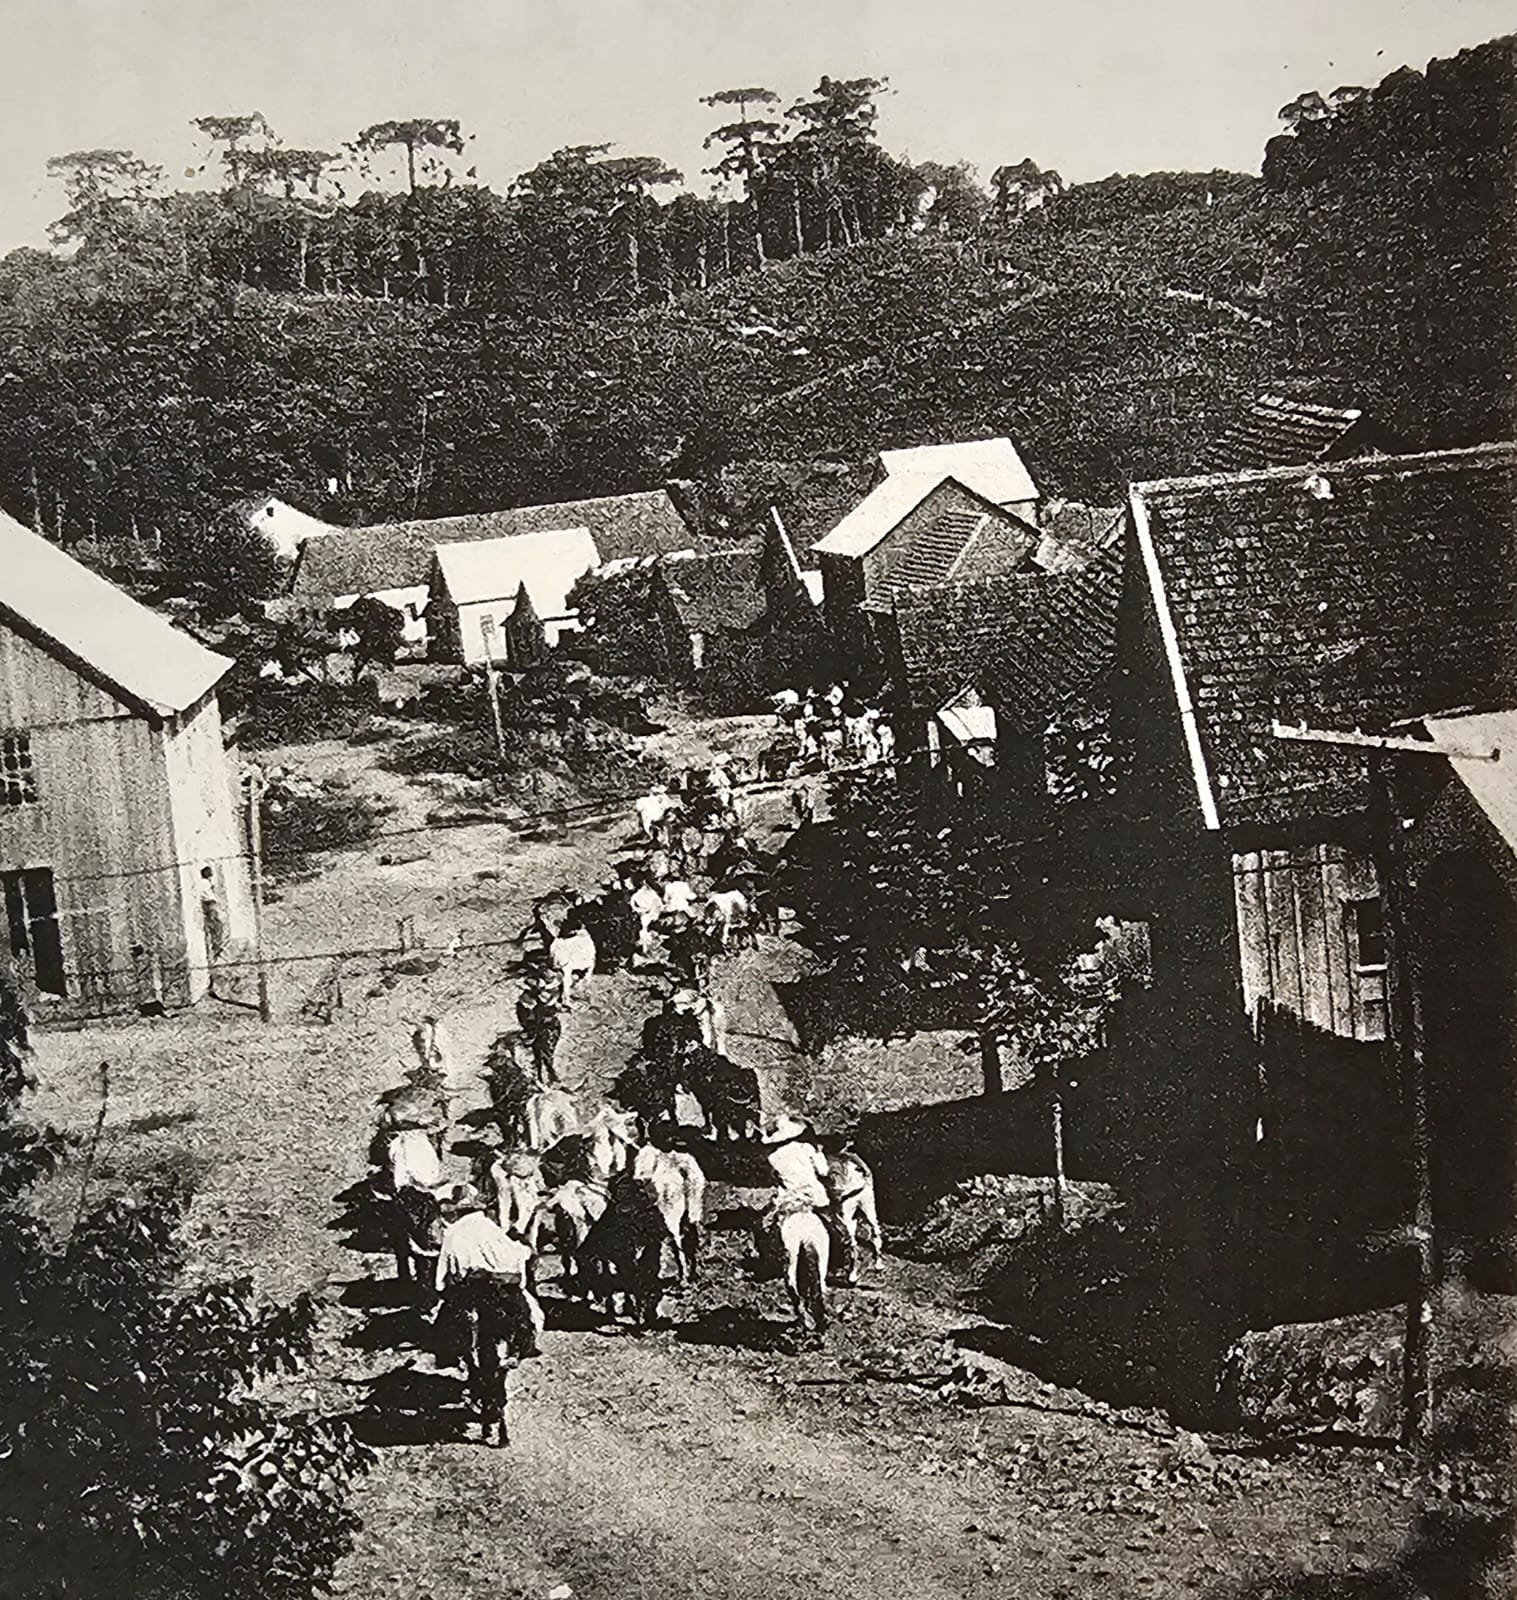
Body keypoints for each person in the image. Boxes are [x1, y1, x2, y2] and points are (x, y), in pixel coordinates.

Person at [432, 1185, 543, 1370]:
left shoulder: (453, 1232)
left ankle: (450, 1356)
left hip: (469, 1288)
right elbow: (515, 1254)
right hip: (498, 1286)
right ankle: (519, 1347)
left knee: (447, 1322)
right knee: (523, 1313)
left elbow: (442, 1274)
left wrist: (445, 1287)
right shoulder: (490, 1228)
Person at [757, 1114, 830, 1276]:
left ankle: (771, 1261)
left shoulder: (772, 1157)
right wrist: (819, 1154)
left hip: (788, 1199)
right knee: (835, 1225)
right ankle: (841, 1257)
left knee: (767, 1226)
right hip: (813, 1197)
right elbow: (824, 1172)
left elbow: (774, 1180)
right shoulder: (807, 1148)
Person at [515, 965, 563, 1085]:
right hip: (541, 1025)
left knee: (545, 1052)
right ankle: (544, 1077)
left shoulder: (549, 997)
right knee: (541, 1052)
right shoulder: (527, 1002)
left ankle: (546, 1076)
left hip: (545, 1026)